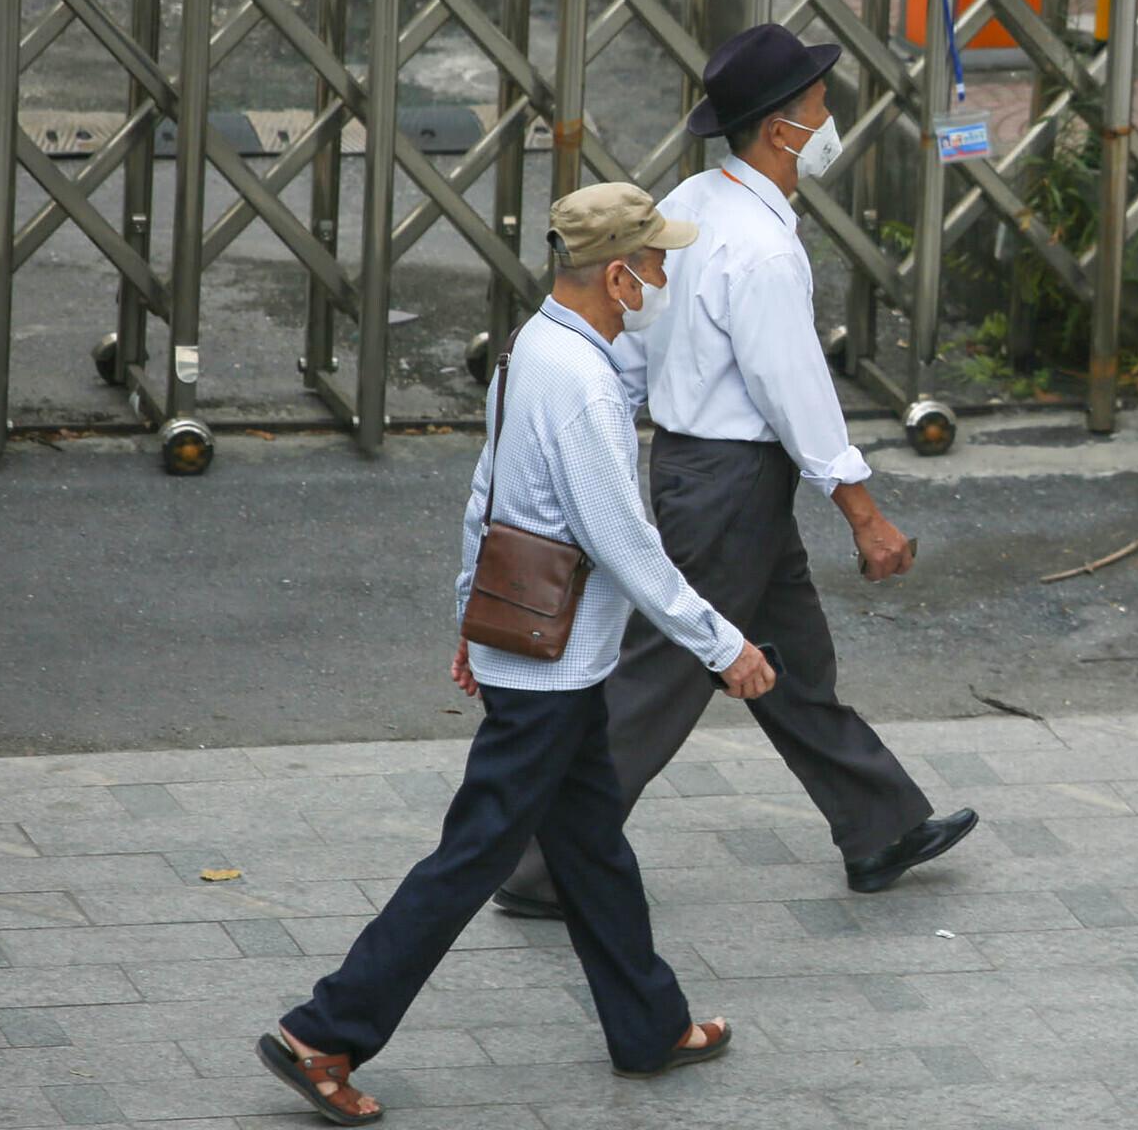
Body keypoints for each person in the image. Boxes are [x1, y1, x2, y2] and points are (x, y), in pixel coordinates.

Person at [257, 183, 776, 1125]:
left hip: (543, 659)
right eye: (654, 262)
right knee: (471, 857)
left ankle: (648, 1026)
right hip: (552, 669)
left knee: (590, 846)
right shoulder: (582, 383)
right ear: (619, 274)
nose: (663, 276)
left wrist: (469, 615)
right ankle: (324, 1030)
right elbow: (624, 542)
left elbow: (485, 493)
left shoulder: (531, 347)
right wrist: (722, 644)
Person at [496, 23, 976, 923]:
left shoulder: (694, 201)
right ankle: (544, 863)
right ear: (781, 129)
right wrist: (864, 514)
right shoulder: (760, 247)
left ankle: (880, 826)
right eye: (819, 105)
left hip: (710, 471)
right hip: (728, 478)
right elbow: (794, 393)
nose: (830, 117)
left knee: (790, 660)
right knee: (665, 672)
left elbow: (645, 333)